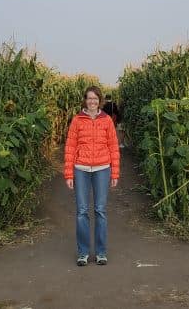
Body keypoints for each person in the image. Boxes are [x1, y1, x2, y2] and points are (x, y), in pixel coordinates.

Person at [64, 86, 120, 266]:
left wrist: (115, 172)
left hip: (102, 168)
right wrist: (68, 173)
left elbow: (113, 147)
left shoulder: (107, 120)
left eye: (95, 99)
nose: (92, 102)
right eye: (89, 98)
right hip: (81, 169)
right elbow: (70, 147)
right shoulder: (77, 120)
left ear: (100, 101)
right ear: (85, 100)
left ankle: (101, 252)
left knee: (100, 210)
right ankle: (83, 253)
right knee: (81, 211)